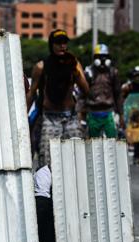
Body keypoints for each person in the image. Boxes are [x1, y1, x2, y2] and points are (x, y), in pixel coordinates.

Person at [26, 29, 89, 168]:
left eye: (64, 43)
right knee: (46, 162)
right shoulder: (41, 67)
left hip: (71, 118)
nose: (62, 46)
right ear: (51, 45)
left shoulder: (74, 64)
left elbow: (86, 90)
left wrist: (76, 72)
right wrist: (22, 116)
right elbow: (31, 93)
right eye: (58, 43)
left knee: (78, 160)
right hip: (50, 118)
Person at [83, 44, 122, 138]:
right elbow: (82, 94)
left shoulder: (113, 72)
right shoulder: (89, 73)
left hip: (109, 113)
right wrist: (80, 113)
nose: (102, 60)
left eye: (105, 57)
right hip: (92, 113)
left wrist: (121, 113)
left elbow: (118, 94)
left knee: (112, 142)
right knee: (93, 144)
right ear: (94, 58)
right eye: (99, 57)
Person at [34, 165, 55, 242]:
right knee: (46, 234)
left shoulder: (45, 171)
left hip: (43, 201)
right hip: (42, 202)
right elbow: (43, 193)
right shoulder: (44, 172)